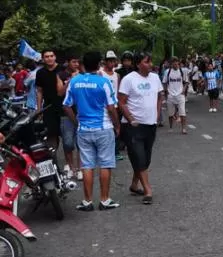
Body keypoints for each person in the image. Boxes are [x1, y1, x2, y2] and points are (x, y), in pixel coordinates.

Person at [62, 51, 122, 211]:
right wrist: (117, 125)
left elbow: (66, 105)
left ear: (83, 64)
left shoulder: (74, 82)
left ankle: (87, 201)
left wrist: (76, 121)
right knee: (105, 164)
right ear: (98, 64)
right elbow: (111, 107)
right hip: (103, 128)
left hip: (83, 129)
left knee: (87, 165)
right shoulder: (104, 82)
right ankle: (104, 200)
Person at [118, 53, 163, 205]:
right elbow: (121, 101)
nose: (150, 64)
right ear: (138, 64)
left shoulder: (155, 78)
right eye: (147, 62)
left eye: (151, 61)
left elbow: (160, 97)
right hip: (133, 126)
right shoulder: (129, 79)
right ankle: (148, 190)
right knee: (139, 157)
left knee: (146, 158)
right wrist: (131, 119)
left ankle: (134, 184)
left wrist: (157, 114)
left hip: (150, 124)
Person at [35, 50, 66, 163]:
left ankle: (70, 164)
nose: (49, 58)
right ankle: (53, 161)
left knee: (67, 138)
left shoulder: (63, 70)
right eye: (46, 56)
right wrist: (39, 109)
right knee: (52, 135)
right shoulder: (40, 73)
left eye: (51, 56)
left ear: (55, 57)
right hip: (49, 107)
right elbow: (39, 91)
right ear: (43, 59)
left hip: (65, 107)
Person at [162, 57, 190, 134]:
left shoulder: (182, 71)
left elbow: (186, 82)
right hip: (171, 95)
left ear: (178, 63)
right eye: (173, 63)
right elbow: (164, 82)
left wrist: (184, 90)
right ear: (171, 64)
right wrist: (166, 91)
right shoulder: (167, 72)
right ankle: (171, 127)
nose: (175, 64)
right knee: (170, 113)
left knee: (182, 112)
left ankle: (183, 128)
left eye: (176, 62)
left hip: (180, 94)